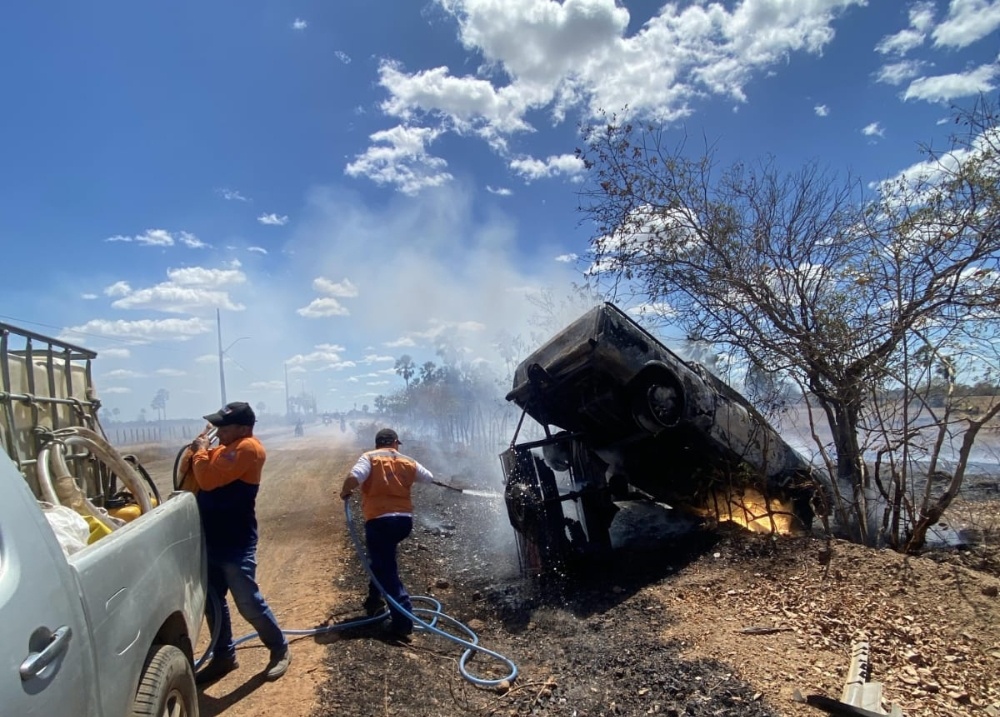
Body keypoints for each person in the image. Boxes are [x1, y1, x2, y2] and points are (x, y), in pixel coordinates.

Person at [189, 401, 290, 684]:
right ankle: (224, 656)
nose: (218, 431)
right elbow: (192, 470)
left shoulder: (248, 448)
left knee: (247, 601)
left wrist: (200, 454)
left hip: (236, 540)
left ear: (244, 428)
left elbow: (206, 480)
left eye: (224, 426)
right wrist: (198, 448)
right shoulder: (222, 448)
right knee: (212, 600)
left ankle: (279, 648)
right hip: (212, 538)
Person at [340, 428, 437, 640]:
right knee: (381, 560)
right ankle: (374, 599)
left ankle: (403, 623)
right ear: (394, 442)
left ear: (377, 444)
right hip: (403, 522)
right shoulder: (407, 460)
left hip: (379, 521)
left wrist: (345, 491)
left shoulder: (369, 458)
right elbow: (428, 477)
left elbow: (353, 477)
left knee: (387, 570)